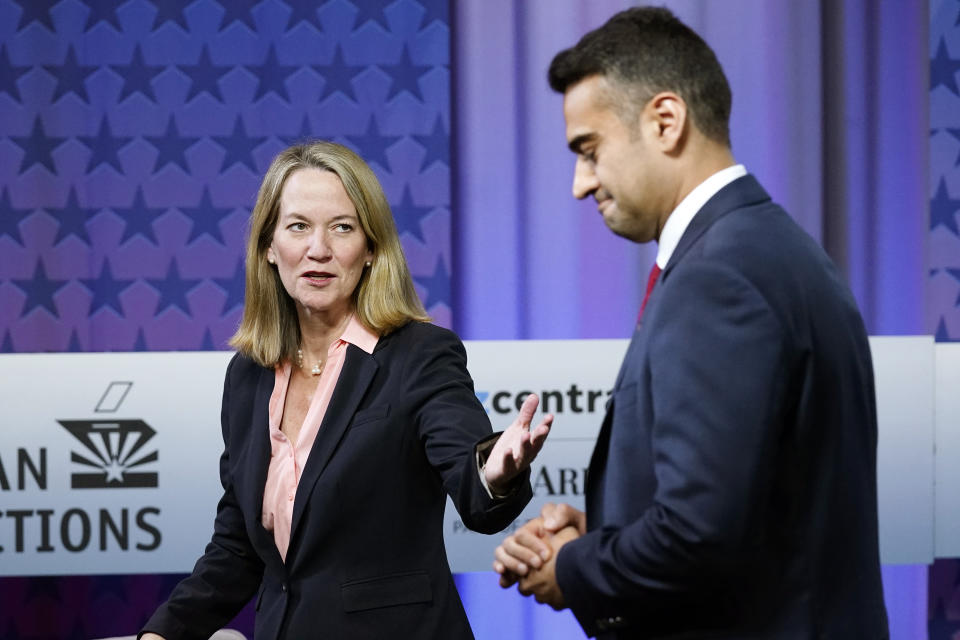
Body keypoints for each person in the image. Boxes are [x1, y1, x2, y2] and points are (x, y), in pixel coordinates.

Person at [492, 7, 888, 639]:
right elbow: (753, 511)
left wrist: (575, 566)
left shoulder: (718, 277)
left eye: (589, 151)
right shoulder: (772, 248)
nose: (578, 183)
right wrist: (606, 533)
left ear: (666, 121)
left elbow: (698, 533)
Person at [139, 141, 552, 640]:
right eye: (298, 227)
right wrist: (162, 632)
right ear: (269, 246)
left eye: (342, 227)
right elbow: (239, 548)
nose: (319, 249)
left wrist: (495, 474)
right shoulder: (248, 376)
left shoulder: (417, 355)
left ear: (371, 248)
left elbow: (473, 486)